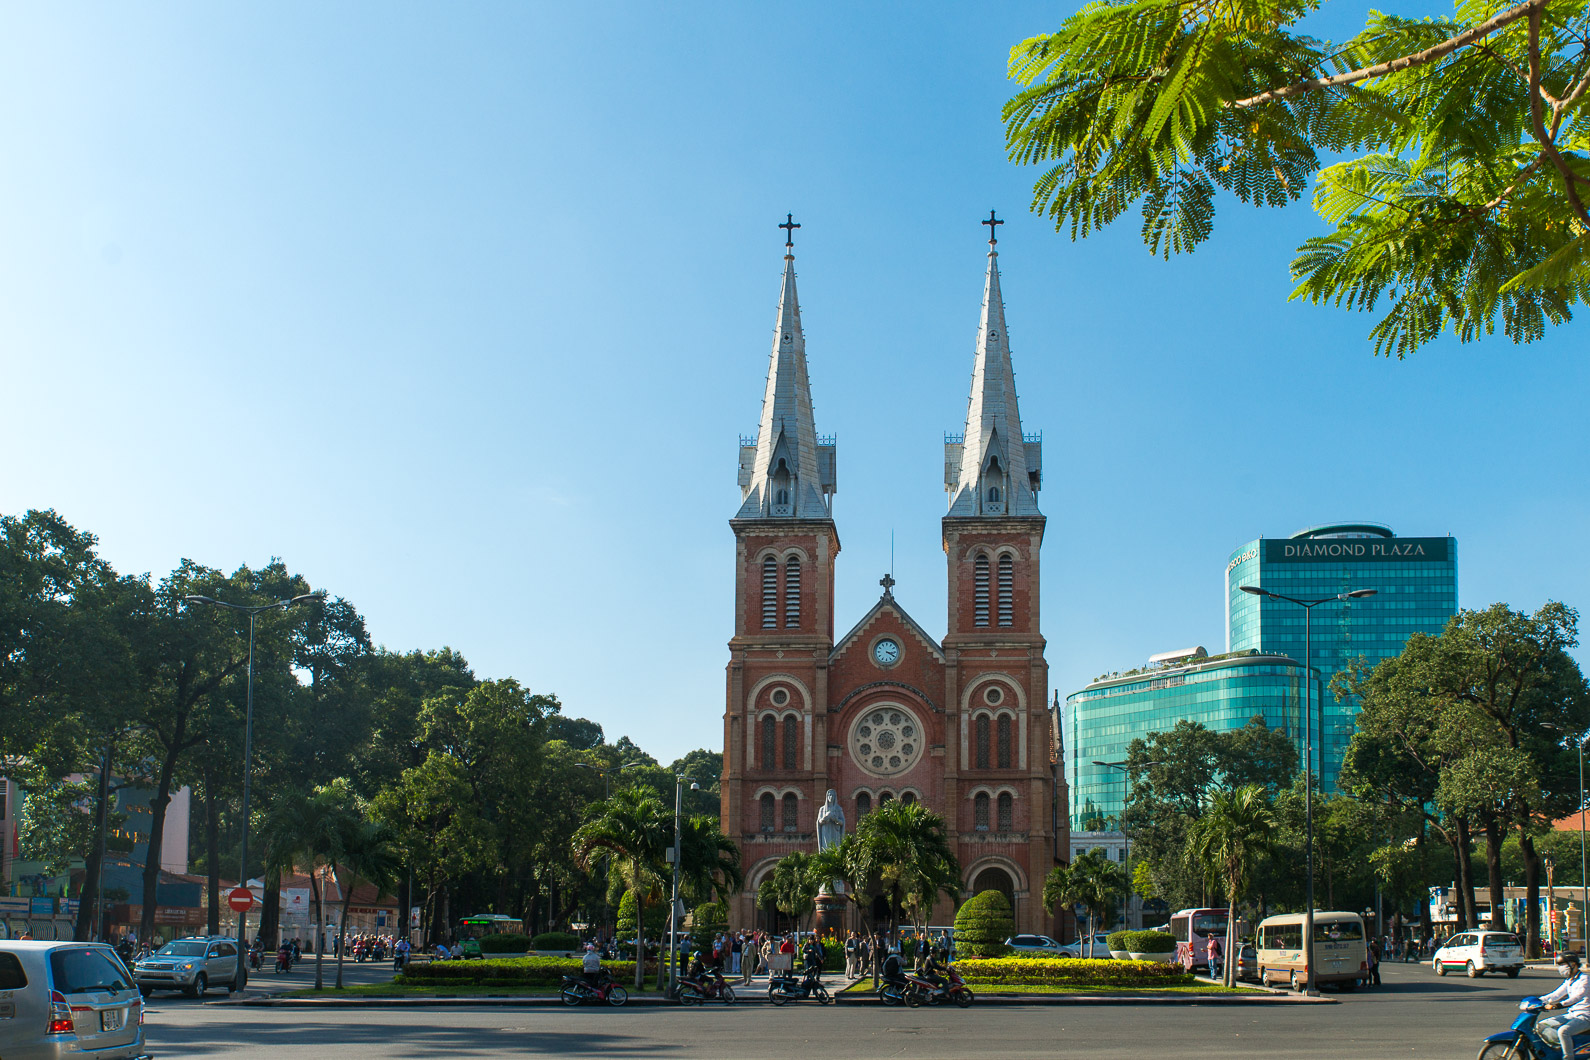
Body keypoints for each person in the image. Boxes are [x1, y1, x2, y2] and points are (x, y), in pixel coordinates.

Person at [1542, 952, 1590, 1060]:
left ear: (1573, 964)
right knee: (1542, 1025)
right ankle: (1558, 1050)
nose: (1560, 968)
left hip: (1585, 1016)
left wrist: (1558, 1005)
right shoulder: (1569, 980)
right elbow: (1556, 994)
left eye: (1562, 965)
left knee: (1563, 1031)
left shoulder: (1584, 979)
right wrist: (1538, 1001)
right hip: (1573, 1014)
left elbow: (1577, 997)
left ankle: (1568, 1057)